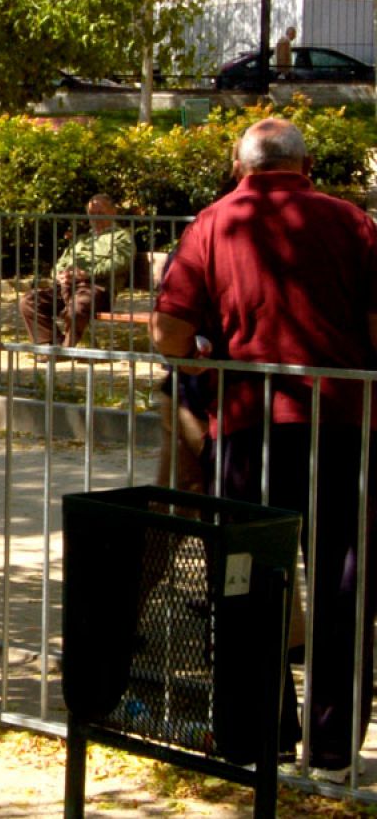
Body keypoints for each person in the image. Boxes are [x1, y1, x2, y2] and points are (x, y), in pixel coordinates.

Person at [153, 117, 377, 784]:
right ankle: (334, 754)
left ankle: (258, 737)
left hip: (248, 429)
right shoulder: (354, 223)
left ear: (242, 166)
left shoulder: (212, 224)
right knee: (344, 588)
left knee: (247, 581)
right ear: (306, 166)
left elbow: (168, 332)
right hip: (344, 424)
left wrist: (199, 354)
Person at [17, 194, 133, 347]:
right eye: (92, 214)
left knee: (77, 307)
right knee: (29, 300)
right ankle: (49, 344)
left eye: (100, 213)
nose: (96, 218)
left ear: (113, 212)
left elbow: (120, 263)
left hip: (96, 289)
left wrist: (88, 274)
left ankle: (67, 348)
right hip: (67, 287)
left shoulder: (121, 237)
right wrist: (60, 275)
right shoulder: (82, 239)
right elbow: (61, 262)